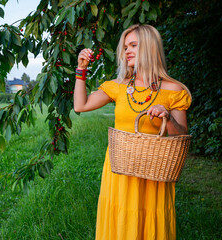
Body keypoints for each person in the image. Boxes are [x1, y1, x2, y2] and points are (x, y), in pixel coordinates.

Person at [74, 24, 192, 239]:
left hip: (154, 173)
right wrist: (81, 70)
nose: (126, 51)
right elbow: (80, 106)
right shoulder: (120, 86)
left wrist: (167, 116)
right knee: (120, 223)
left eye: (133, 45)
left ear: (149, 47)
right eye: (125, 47)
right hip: (119, 170)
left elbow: (181, 136)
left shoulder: (174, 90)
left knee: (150, 226)